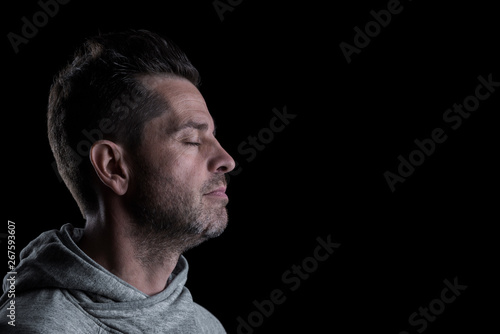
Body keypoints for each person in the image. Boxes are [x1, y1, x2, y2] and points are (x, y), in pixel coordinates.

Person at [0, 29, 235, 333]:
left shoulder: (207, 327)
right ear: (113, 167)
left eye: (213, 136)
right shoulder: (38, 327)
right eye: (191, 140)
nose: (226, 159)